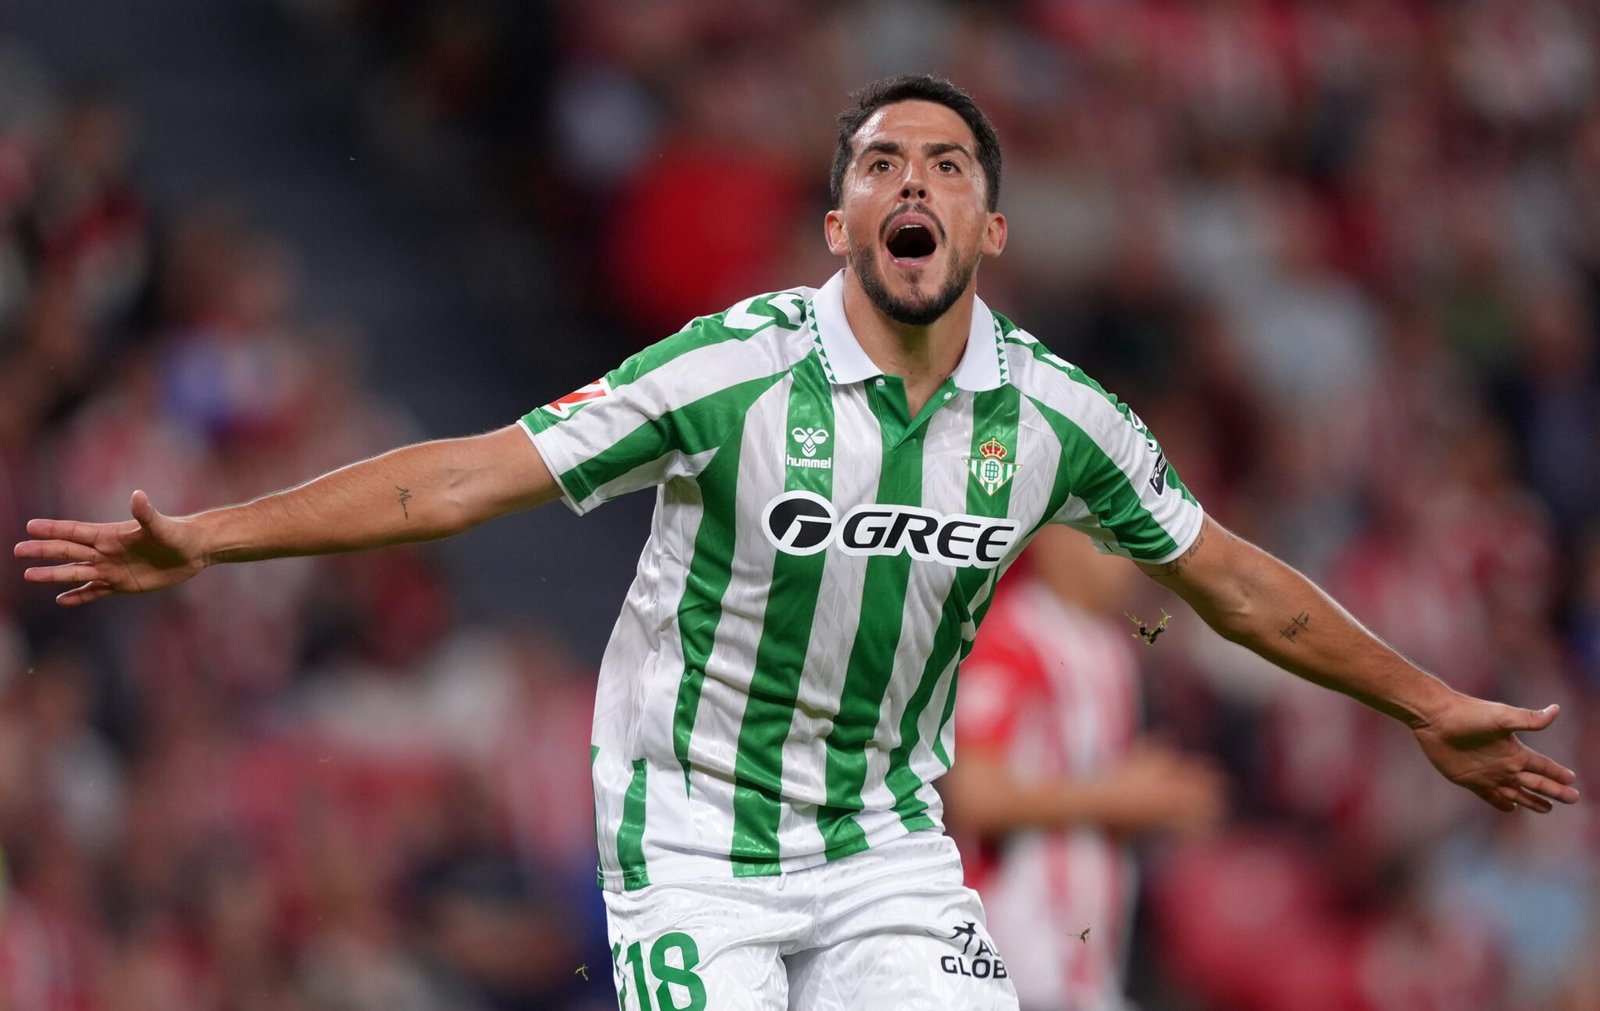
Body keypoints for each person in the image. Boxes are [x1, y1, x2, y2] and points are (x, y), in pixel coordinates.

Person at [13, 75, 1579, 1011]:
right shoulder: (732, 370)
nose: (911, 184)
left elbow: (1229, 579)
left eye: (947, 165)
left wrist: (1424, 699)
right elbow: (461, 482)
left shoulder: (1055, 416)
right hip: (689, 833)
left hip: (888, 846)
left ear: (991, 230)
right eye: (878, 166)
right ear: (840, 224)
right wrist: (208, 539)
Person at [942, 525, 1227, 1011]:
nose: (1130, 559)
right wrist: (1120, 796)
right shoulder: (1009, 635)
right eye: (1111, 542)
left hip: (1089, 967)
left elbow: (1091, 780)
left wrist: (1157, 798)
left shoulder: (1112, 648)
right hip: (1018, 958)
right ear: (1055, 540)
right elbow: (974, 793)